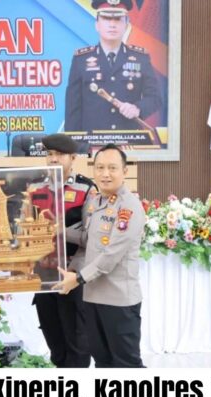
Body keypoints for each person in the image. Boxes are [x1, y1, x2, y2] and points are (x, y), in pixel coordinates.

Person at [54, 143, 145, 367]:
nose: (105, 174)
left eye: (112, 168)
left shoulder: (129, 207)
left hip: (119, 301)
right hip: (93, 298)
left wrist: (77, 279)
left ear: (124, 171)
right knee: (102, 361)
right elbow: (87, 239)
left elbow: (111, 255)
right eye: (100, 167)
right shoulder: (96, 203)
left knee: (126, 364)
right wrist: (57, 230)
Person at [29, 133, 97, 368]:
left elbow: (90, 236)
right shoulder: (34, 187)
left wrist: (61, 231)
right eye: (50, 154)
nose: (53, 159)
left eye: (60, 154)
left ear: (73, 158)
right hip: (43, 274)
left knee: (77, 343)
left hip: (72, 273)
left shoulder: (86, 188)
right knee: (54, 340)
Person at [64, 0, 162, 133]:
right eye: (106, 18)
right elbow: (73, 111)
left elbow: (155, 98)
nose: (112, 24)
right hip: (93, 142)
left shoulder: (140, 58)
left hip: (130, 140)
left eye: (118, 19)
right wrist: (73, 144)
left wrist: (137, 108)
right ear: (97, 25)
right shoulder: (81, 60)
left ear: (126, 24)